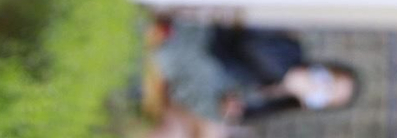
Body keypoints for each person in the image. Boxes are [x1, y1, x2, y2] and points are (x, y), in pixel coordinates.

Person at [153, 20, 360, 126]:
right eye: (329, 82)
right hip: (189, 41)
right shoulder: (291, 51)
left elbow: (207, 106)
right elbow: (248, 45)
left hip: (171, 75)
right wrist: (287, 76)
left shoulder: (272, 105)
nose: (319, 89)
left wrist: (223, 109)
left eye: (327, 96)